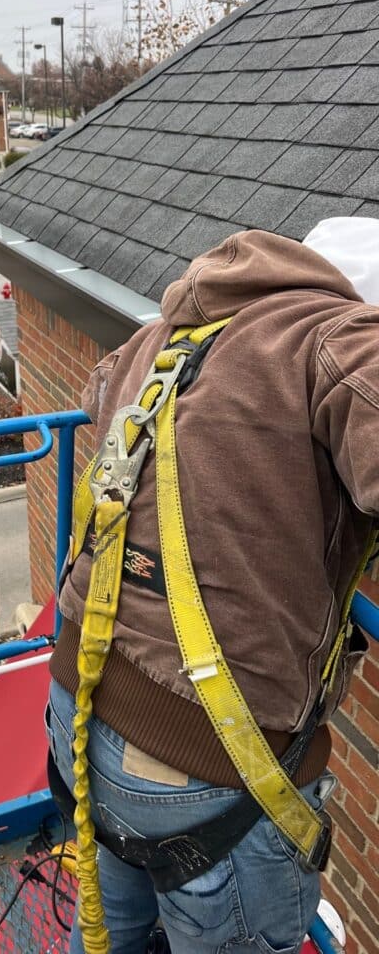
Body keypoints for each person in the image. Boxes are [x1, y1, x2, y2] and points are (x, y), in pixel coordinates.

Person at [46, 218, 379, 954]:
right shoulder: (338, 338)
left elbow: (100, 394)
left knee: (112, 931)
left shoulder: (166, 334)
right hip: (198, 766)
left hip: (77, 698)